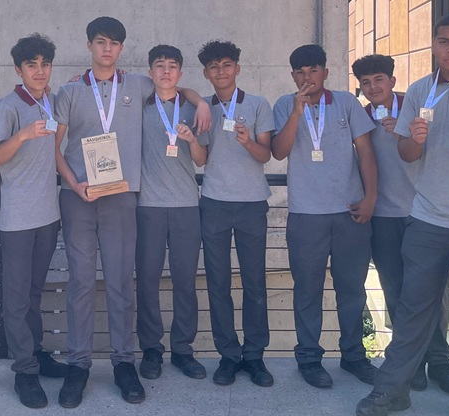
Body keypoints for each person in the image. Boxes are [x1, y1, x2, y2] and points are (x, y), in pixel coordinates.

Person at [356, 11, 449, 416]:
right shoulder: (420, 90)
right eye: (444, 41)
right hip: (426, 221)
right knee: (412, 311)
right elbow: (406, 154)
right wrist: (415, 141)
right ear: (434, 44)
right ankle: (392, 388)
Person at [52, 16, 210, 408]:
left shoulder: (138, 85)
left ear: (122, 48)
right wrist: (73, 183)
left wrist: (202, 100)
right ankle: (78, 365)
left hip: (122, 197)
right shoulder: (69, 92)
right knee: (81, 282)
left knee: (121, 281)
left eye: (114, 43)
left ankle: (124, 362)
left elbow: (174, 86)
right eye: (100, 41)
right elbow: (54, 148)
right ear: (89, 45)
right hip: (78, 197)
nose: (107, 48)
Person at [352, 53, 449, 395]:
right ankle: (410, 364)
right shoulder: (361, 117)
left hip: (424, 214)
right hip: (384, 216)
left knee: (433, 291)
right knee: (395, 291)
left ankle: (440, 362)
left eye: (379, 80)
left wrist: (405, 130)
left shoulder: (415, 109)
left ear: (393, 81)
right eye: (366, 83)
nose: (373, 87)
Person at [272, 44, 377, 389]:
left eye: (314, 70)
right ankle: (309, 358)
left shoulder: (346, 102)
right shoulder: (285, 104)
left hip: (350, 212)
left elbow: (366, 151)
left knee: (352, 289)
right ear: (293, 76)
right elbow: (279, 151)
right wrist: (296, 113)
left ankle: (354, 356)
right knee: (307, 290)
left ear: (325, 73)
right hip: (306, 215)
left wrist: (370, 197)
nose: (308, 77)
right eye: (300, 72)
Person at [0, 34, 70, 409]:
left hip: (48, 215)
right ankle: (24, 370)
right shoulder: (8, 107)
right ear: (18, 70)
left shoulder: (50, 100)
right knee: (17, 297)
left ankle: (35, 353)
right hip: (17, 219)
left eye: (44, 64)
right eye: (31, 65)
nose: (39, 71)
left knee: (35, 292)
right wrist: (22, 135)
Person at [197, 39, 275, 389]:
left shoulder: (258, 104)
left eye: (226, 65)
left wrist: (247, 141)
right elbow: (201, 157)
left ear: (237, 69)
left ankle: (254, 355)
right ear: (206, 73)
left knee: (254, 281)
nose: (221, 71)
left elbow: (266, 155)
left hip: (251, 204)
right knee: (218, 283)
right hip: (213, 202)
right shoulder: (203, 109)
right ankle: (228, 355)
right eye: (214, 67)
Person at [135, 45, 208, 382]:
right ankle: (151, 349)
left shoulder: (193, 108)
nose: (166, 72)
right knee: (147, 281)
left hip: (186, 206)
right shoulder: (138, 105)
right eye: (160, 66)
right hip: (148, 206)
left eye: (172, 66)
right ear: (150, 72)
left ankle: (182, 349)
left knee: (185, 282)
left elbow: (202, 159)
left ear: (180, 73)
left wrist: (192, 139)